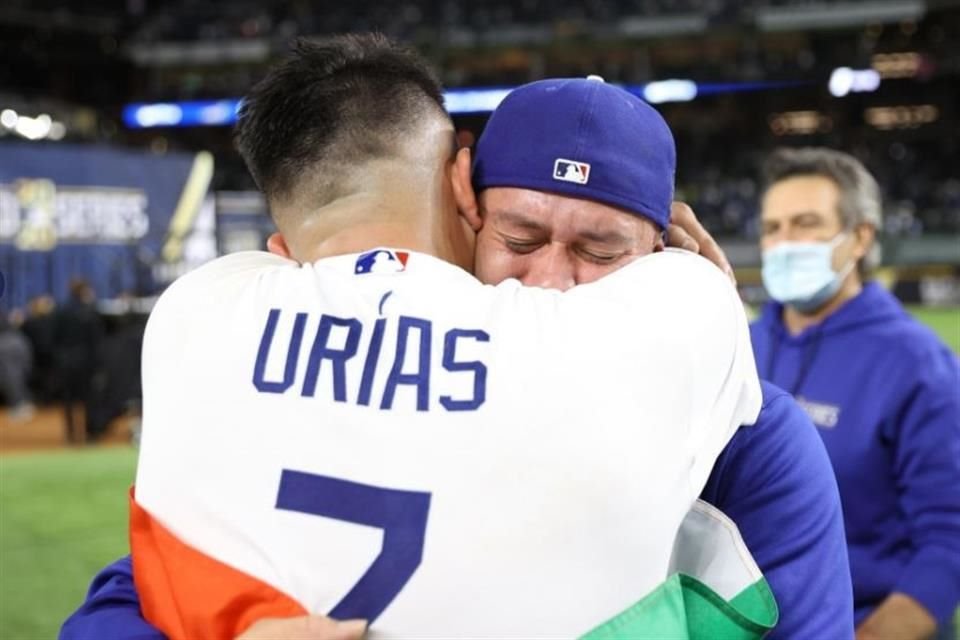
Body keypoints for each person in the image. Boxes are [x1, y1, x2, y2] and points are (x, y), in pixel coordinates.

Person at [62, 45, 852, 640]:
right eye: (519, 234)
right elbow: (131, 595)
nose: (549, 280)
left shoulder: (757, 446)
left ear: (665, 250)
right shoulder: (349, 365)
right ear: (465, 206)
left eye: (600, 251)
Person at [751, 146, 960, 640]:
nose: (785, 243)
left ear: (860, 237)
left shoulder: (916, 362)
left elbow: (949, 539)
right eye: (772, 228)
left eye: (805, 224)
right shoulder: (744, 345)